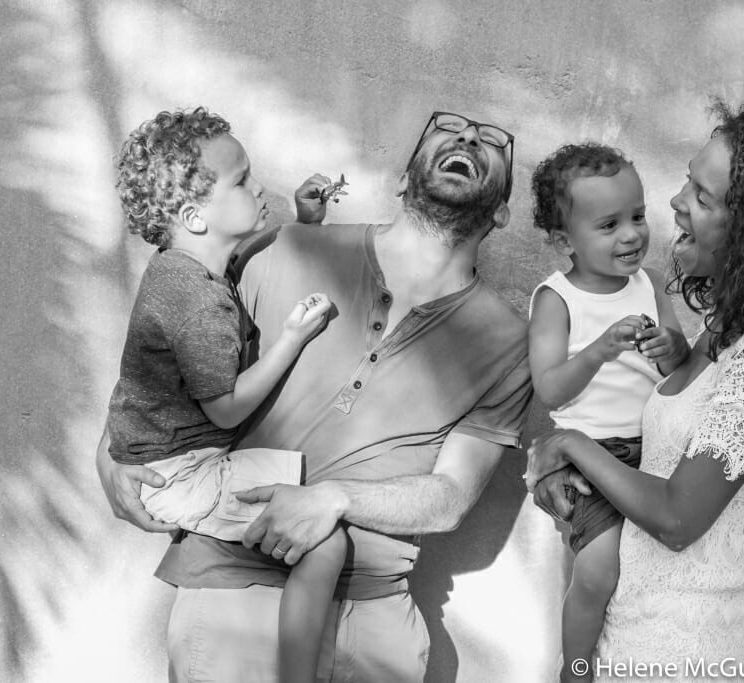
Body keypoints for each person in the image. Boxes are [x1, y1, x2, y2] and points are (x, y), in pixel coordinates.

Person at [95, 110, 532, 682]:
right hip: (232, 594)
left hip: (375, 624)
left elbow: (451, 497)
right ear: (402, 182)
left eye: (491, 141)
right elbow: (165, 358)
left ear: (501, 210)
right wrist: (109, 453)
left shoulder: (510, 342)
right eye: (446, 131)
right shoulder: (282, 250)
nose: (469, 137)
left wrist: (334, 499)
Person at [528, 103, 744, 681]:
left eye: (703, 198)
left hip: (682, 654)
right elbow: (653, 464)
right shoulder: (724, 332)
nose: (674, 203)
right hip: (630, 633)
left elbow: (679, 519)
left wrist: (570, 446)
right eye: (688, 181)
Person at [102, 107, 347, 683]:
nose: (260, 187)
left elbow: (240, 258)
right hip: (183, 475)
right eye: (241, 180)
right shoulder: (199, 302)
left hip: (165, 461)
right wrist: (293, 337)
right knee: (324, 540)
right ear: (192, 215)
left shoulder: (182, 268)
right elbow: (229, 405)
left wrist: (305, 223)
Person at [526, 143, 689, 682]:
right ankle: (574, 670)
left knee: (654, 570)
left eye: (638, 216)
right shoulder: (558, 299)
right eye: (609, 224)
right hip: (594, 453)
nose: (631, 235)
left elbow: (680, 364)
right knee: (597, 572)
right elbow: (549, 390)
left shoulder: (650, 282)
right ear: (561, 240)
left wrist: (672, 349)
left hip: (656, 447)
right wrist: (598, 350)